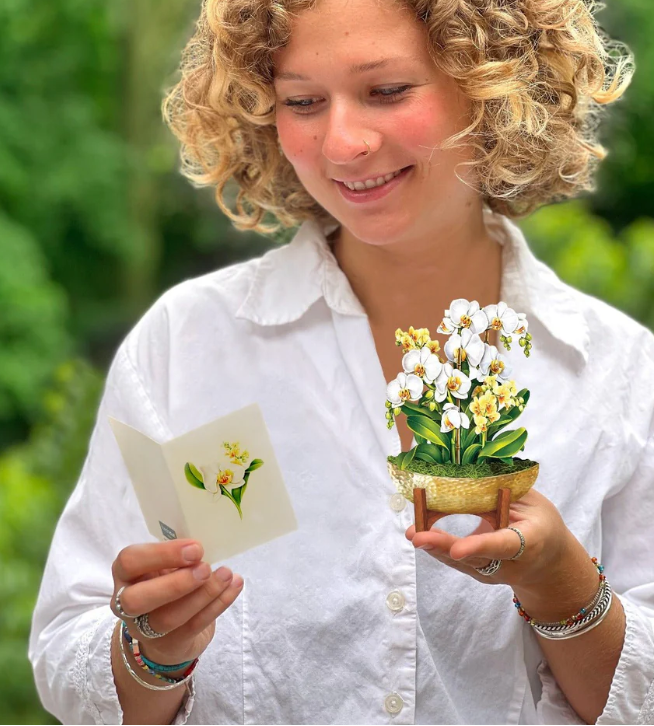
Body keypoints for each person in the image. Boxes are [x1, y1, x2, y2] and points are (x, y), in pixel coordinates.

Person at [28, 0, 654, 723]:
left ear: (496, 89)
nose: (343, 143)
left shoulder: (618, 372)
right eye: (302, 102)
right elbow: (69, 655)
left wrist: (566, 589)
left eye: (387, 91)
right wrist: (153, 648)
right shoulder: (190, 344)